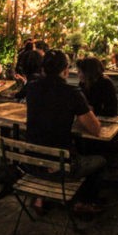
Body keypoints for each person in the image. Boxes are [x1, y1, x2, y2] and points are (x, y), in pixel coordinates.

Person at [26, 50, 106, 213]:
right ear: (66, 70)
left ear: (43, 69)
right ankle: (84, 203)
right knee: (100, 161)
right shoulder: (72, 93)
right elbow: (95, 129)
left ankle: (40, 197)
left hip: (32, 163)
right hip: (60, 165)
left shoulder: (31, 88)